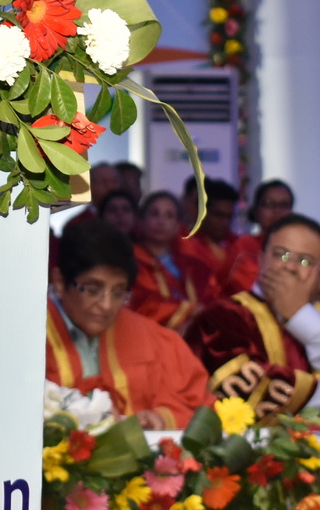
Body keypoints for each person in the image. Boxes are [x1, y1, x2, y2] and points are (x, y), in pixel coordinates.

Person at [182, 215, 320, 420]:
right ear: (261, 259)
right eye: (281, 255)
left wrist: (301, 317)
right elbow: (241, 393)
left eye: (306, 261)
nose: (291, 267)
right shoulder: (220, 318)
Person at [44, 221, 214, 430]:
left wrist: (160, 419)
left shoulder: (154, 340)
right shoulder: (25, 337)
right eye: (92, 289)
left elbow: (199, 406)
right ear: (59, 282)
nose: (106, 306)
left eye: (118, 293)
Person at [129, 191, 202, 330]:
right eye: (154, 214)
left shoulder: (190, 265)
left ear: (177, 226)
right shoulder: (130, 260)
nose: (161, 221)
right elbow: (138, 303)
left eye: (169, 216)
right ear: (141, 221)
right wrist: (189, 310)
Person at [222, 179, 294, 294]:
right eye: (269, 204)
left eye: (284, 205)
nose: (277, 211)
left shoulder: (297, 248)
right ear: (256, 211)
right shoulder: (244, 245)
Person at [179, 179, 239, 300]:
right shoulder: (183, 243)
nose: (225, 222)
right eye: (219, 215)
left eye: (229, 216)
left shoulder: (238, 245)